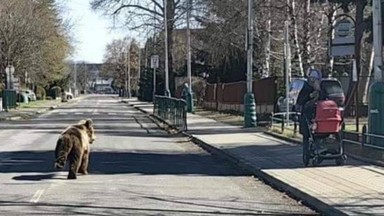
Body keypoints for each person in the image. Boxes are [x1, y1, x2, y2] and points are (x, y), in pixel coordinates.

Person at [296, 69, 322, 157]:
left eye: (315, 79)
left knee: (319, 134)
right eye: (312, 79)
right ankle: (306, 153)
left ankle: (318, 149)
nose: (313, 81)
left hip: (319, 116)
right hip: (307, 116)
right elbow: (300, 101)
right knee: (306, 135)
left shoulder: (322, 89)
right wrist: (309, 96)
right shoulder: (306, 88)